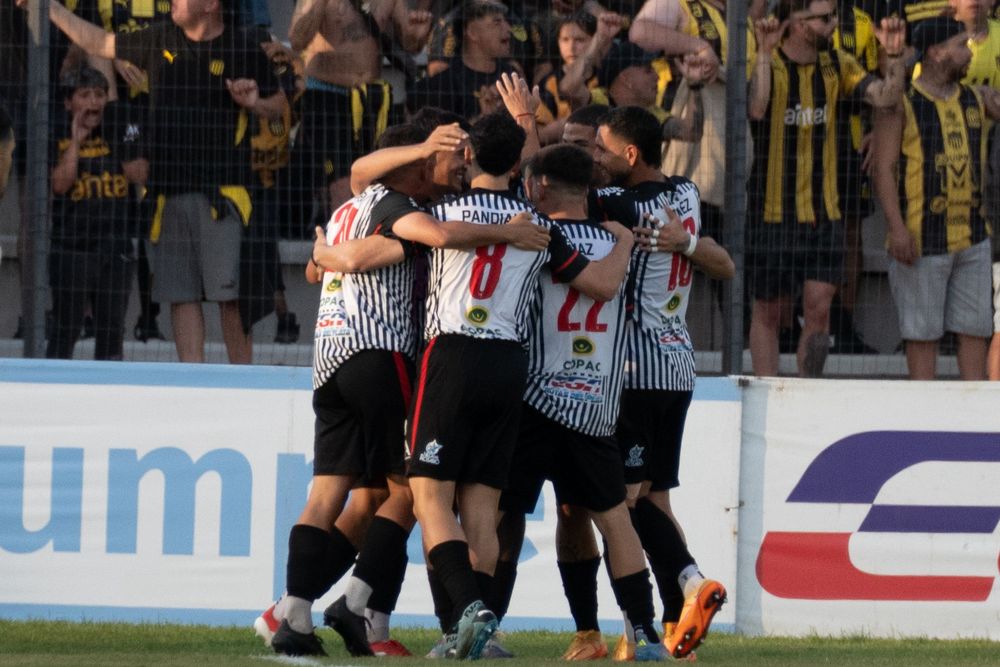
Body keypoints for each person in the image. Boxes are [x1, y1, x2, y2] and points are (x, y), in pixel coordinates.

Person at [260, 122, 552, 657]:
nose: (455, 172)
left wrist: (328, 256)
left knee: (339, 491)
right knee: (417, 492)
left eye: (462, 161)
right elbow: (400, 245)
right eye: (445, 162)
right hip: (408, 352)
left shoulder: (364, 208)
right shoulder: (520, 221)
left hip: (331, 356)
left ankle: (294, 612)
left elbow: (323, 261)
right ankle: (378, 601)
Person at [29, 0, 288, 364]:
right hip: (167, 194)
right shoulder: (159, 37)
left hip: (223, 196)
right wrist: (49, 7)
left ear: (211, 5)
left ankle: (241, 381)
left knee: (232, 299)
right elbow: (99, 42)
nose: (172, 2)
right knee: (181, 297)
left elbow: (279, 106)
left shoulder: (242, 45)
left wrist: (254, 102)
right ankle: (192, 383)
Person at [591, 105, 735, 661]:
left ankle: (685, 586)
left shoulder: (621, 204)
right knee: (654, 495)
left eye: (602, 148)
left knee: (621, 502)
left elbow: (558, 191)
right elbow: (717, 260)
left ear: (631, 155)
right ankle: (678, 629)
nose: (595, 158)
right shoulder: (686, 194)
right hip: (677, 365)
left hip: (634, 370)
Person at [746, 1, 906, 377]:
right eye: (824, 18)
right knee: (769, 310)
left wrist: (895, 56)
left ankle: (806, 389)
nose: (834, 24)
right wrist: (765, 55)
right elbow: (757, 108)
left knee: (819, 308)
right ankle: (769, 391)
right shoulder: (769, 62)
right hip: (773, 212)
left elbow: (886, 98)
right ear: (798, 24)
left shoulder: (838, 63)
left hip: (826, 212)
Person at [873, 17, 1000, 380]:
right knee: (922, 337)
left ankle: (972, 421)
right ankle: (923, 420)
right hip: (921, 240)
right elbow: (883, 169)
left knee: (975, 332)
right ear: (937, 51)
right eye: (962, 45)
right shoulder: (904, 104)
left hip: (974, 237)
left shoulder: (977, 98)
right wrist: (896, 228)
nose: (969, 54)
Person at [287, 0, 432, 214]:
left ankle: (371, 234)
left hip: (373, 100)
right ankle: (342, 239)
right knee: (341, 183)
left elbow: (410, 43)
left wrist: (418, 34)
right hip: (329, 95)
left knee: (378, 175)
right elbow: (297, 40)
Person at [46, 65, 146, 360]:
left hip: (115, 248)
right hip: (71, 248)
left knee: (112, 332)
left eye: (100, 95)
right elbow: (60, 185)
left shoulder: (120, 132)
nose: (93, 102)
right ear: (68, 102)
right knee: (66, 329)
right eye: (85, 95)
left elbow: (139, 174)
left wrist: (118, 136)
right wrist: (76, 142)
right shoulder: (56, 135)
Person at [407, 0, 524, 120]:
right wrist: (485, 117)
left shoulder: (511, 75)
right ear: (472, 32)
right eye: (497, 22)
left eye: (506, 21)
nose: (509, 28)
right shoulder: (444, 85)